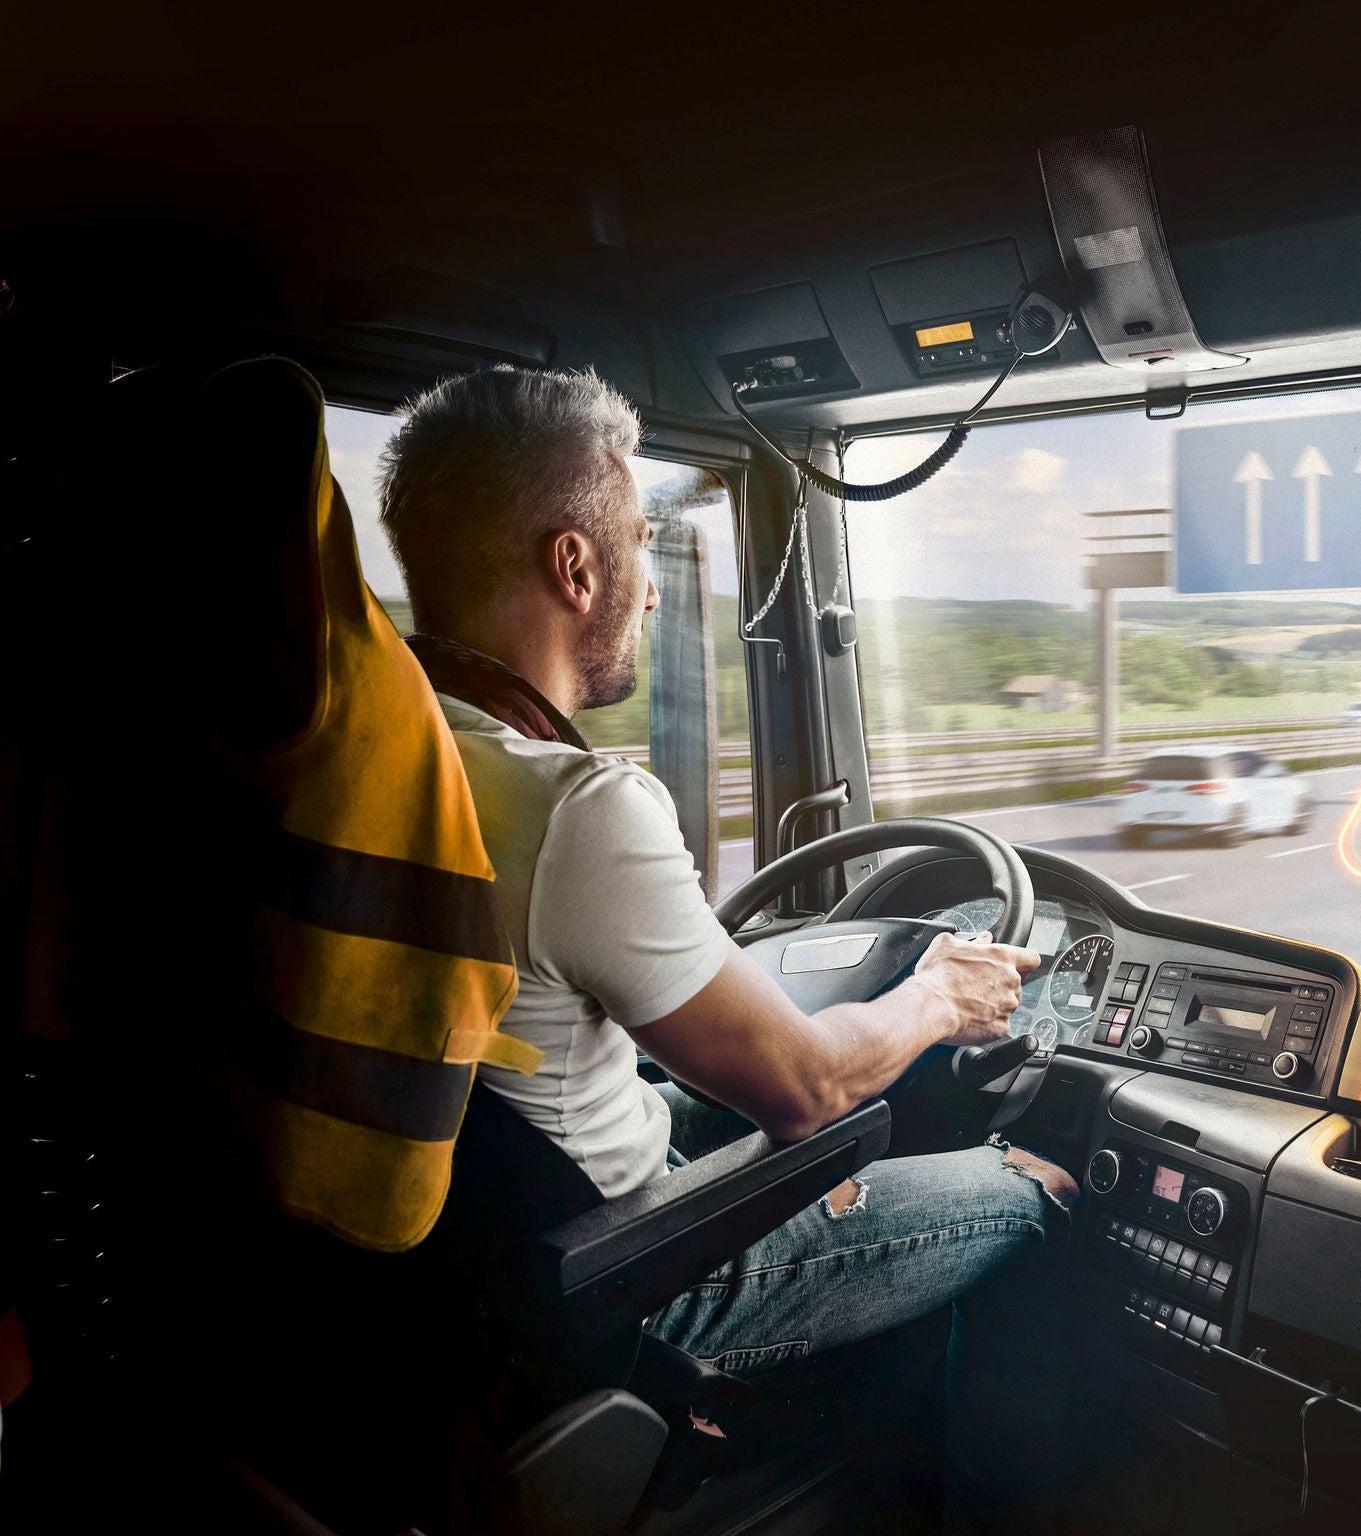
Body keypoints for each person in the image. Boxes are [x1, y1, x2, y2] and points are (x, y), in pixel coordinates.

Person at [375, 363, 1076, 1383]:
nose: (653, 589)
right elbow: (807, 1088)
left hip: (478, 1248)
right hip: (625, 1273)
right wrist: (934, 997)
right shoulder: (571, 805)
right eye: (640, 550)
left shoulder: (377, 760)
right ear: (574, 567)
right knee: (1033, 1187)